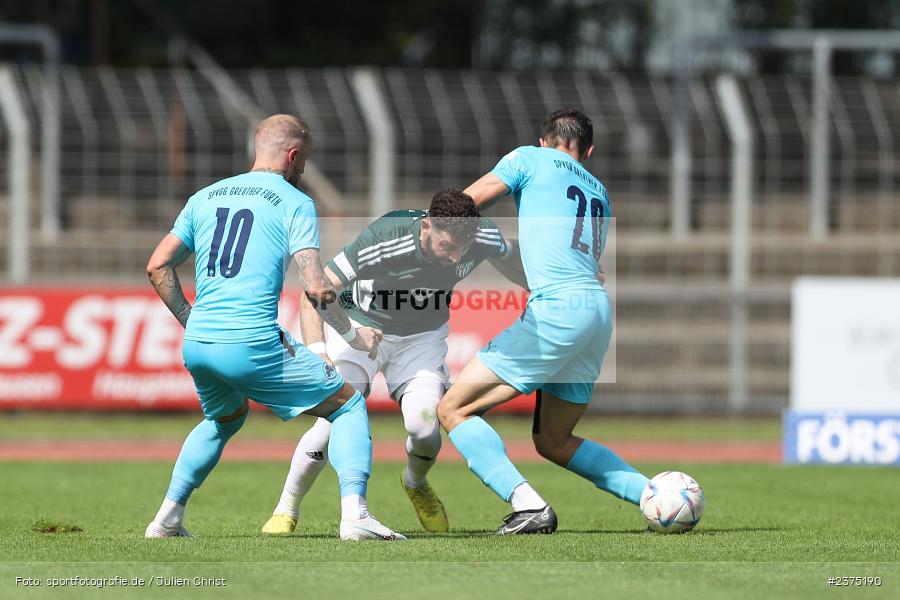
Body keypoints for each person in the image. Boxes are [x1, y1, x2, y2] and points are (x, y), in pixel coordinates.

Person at [144, 114, 405, 541]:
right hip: (251, 341)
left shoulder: (203, 197)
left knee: (223, 419)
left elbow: (157, 266)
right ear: (294, 155)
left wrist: (194, 323)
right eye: (303, 163)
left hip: (199, 343)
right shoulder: (293, 200)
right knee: (348, 404)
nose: (301, 170)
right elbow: (318, 287)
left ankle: (167, 520)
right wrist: (356, 334)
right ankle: (356, 515)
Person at [437, 108, 650, 534]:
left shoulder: (528, 159)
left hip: (555, 310)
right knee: (554, 440)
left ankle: (528, 505)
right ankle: (655, 497)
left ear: (543, 140)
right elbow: (584, 264)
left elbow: (466, 202)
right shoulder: (600, 191)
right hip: (596, 312)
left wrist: (430, 230)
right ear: (587, 150)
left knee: (452, 408)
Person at [262, 189, 521, 535]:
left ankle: (414, 482)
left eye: (464, 247)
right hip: (360, 330)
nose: (457, 256)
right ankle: (286, 508)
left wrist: (554, 283)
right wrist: (319, 352)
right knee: (334, 417)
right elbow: (316, 291)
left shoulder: (480, 234)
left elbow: (514, 255)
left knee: (425, 426)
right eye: (448, 246)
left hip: (422, 339)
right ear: (427, 226)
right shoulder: (386, 236)